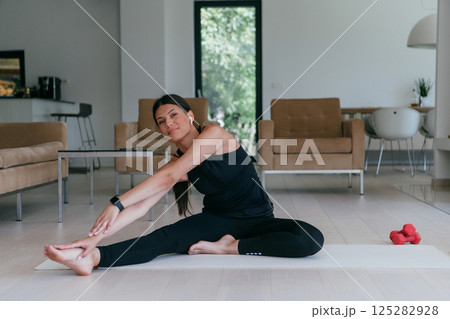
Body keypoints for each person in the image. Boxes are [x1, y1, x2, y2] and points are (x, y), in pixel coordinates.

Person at [44, 94, 324, 276]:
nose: (169, 124)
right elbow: (142, 206)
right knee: (164, 239)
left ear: (190, 115)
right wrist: (93, 240)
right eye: (161, 122)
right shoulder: (177, 163)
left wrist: (116, 203)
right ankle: (92, 259)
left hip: (257, 219)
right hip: (216, 221)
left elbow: (166, 178)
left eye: (174, 115)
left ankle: (229, 247)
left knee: (311, 238)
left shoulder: (214, 135)